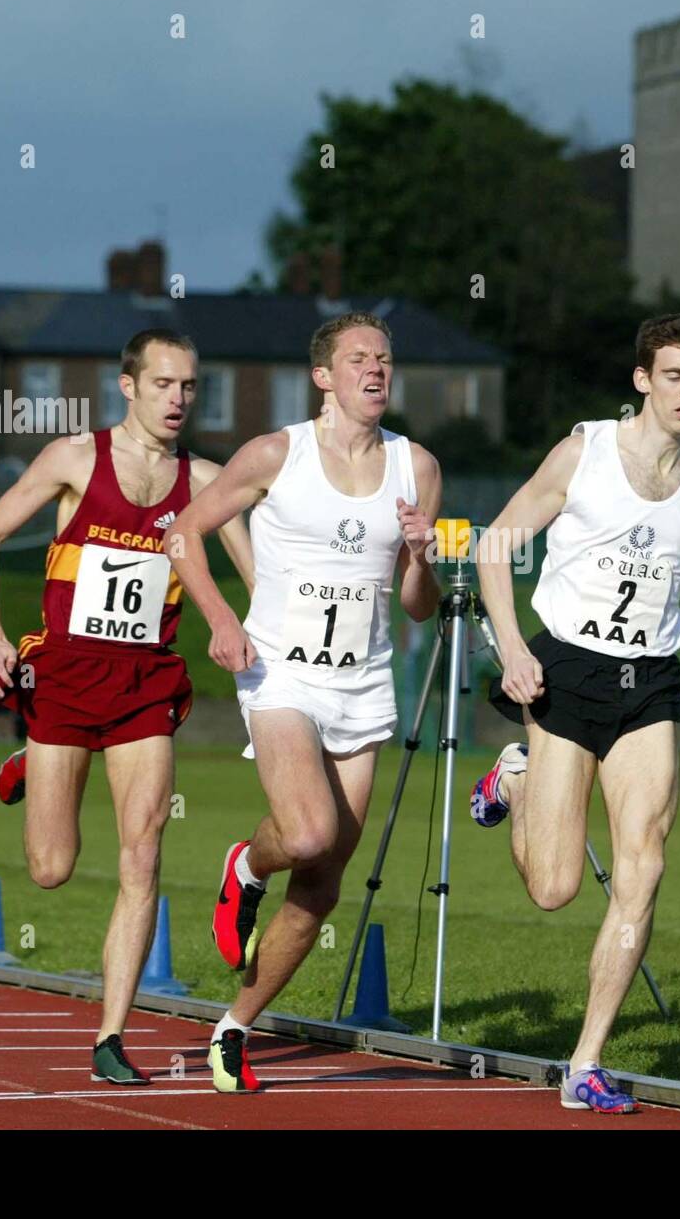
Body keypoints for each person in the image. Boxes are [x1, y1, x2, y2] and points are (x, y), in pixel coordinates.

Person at [471, 313, 680, 1113]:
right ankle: (515, 776)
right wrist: (512, 648)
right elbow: (495, 543)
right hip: (563, 671)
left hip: (648, 684)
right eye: (674, 375)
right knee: (554, 887)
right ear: (643, 378)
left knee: (643, 864)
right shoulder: (586, 452)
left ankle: (586, 1062)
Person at [0, 328, 254, 1082]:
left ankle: (110, 1038)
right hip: (62, 675)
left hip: (145, 686)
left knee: (143, 851)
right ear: (128, 386)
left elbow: (259, 582)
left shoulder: (210, 480)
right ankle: (30, 756)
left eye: (189, 386)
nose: (179, 399)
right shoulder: (75, 458)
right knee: (52, 867)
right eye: (164, 384)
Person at [166, 312, 441, 1094]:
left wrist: (422, 556)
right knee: (309, 829)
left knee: (323, 881)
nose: (376, 369)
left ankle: (233, 1027)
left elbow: (420, 605)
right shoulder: (274, 453)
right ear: (323, 375)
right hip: (281, 672)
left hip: (364, 681)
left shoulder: (415, 466)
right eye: (359, 358)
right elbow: (184, 533)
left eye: (385, 358)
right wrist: (221, 619)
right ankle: (246, 863)